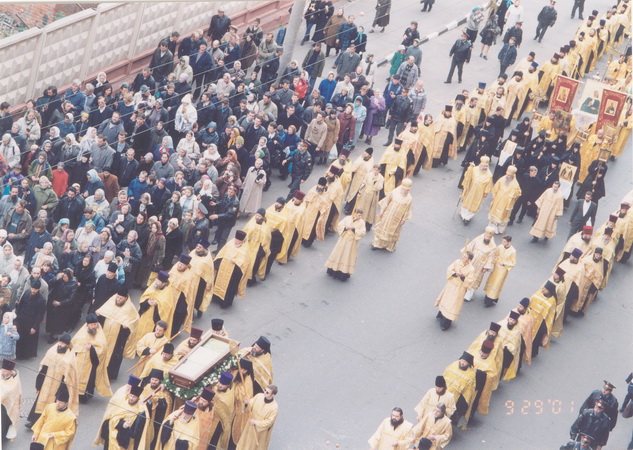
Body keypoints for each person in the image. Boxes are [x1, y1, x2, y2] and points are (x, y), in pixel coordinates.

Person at [26, 333, 78, 426]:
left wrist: (61, 392)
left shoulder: (70, 359)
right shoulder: (51, 352)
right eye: (60, 342)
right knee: (40, 402)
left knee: (53, 406)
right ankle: (34, 422)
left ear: (67, 345)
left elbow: (68, 378)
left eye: (63, 343)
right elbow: (44, 368)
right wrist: (39, 384)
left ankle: (47, 424)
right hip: (46, 383)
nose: (60, 344)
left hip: (58, 386)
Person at [96, 285, 139, 380]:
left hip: (118, 337)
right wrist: (99, 313)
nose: (118, 300)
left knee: (113, 356)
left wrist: (127, 326)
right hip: (105, 333)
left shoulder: (130, 308)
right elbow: (104, 310)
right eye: (118, 297)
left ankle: (109, 375)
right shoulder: (112, 301)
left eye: (121, 298)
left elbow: (134, 320)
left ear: (126, 298)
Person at [93, 382, 150, 448]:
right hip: (114, 432)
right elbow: (113, 418)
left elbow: (142, 422)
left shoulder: (140, 408)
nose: (131, 398)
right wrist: (122, 424)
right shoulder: (123, 403)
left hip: (126, 438)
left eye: (134, 397)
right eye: (131, 395)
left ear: (138, 398)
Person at [71, 312, 112, 404]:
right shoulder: (82, 332)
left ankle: (85, 395)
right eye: (92, 325)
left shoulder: (100, 334)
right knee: (76, 377)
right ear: (87, 325)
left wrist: (92, 348)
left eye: (95, 324)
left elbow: (103, 349)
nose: (94, 327)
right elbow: (74, 343)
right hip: (80, 361)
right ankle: (75, 393)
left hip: (92, 362)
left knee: (89, 380)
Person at [435, 251, 475, 330]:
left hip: (459, 289)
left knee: (452, 305)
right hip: (451, 285)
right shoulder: (457, 262)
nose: (462, 257)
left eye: (465, 257)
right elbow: (449, 269)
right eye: (463, 255)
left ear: (469, 260)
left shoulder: (471, 269)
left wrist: (462, 277)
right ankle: (441, 314)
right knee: (445, 300)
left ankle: (445, 324)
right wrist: (455, 274)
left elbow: (470, 281)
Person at [212, 230, 251, 309]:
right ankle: (216, 298)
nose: (236, 241)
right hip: (223, 268)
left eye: (238, 241)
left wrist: (236, 261)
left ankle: (224, 303)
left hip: (234, 272)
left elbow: (245, 262)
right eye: (236, 239)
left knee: (229, 288)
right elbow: (222, 252)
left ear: (242, 241)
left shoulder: (245, 249)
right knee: (218, 281)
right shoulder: (230, 243)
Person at [30, 383, 77, 449]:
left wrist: (55, 435)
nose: (57, 404)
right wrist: (36, 434)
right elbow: (41, 421)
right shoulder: (50, 407)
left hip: (55, 445)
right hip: (42, 440)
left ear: (66, 403)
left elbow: (70, 433)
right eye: (57, 401)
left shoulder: (70, 417)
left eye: (60, 402)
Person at [372, 178, 413, 252]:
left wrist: (404, 219)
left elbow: (407, 210)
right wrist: (382, 211)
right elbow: (386, 201)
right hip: (388, 216)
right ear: (402, 187)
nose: (406, 191)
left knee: (392, 232)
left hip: (397, 219)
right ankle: (377, 244)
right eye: (405, 189)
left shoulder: (409, 198)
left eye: (408, 190)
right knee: (383, 229)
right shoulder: (394, 192)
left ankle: (389, 246)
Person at [325, 209, 366, 281]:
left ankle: (343, 274)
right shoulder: (348, 218)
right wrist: (346, 228)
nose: (360, 217)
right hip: (343, 240)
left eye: (361, 216)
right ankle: (333, 270)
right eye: (359, 215)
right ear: (355, 213)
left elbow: (363, 232)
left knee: (348, 256)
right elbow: (340, 225)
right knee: (339, 254)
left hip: (352, 243)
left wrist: (354, 229)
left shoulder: (362, 222)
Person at [235, 384, 280, 449]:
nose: (265, 392)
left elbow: (269, 422)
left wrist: (256, 423)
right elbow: (250, 405)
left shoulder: (274, 407)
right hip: (250, 427)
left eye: (267, 392)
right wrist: (247, 403)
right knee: (244, 444)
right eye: (265, 390)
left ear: (273, 395)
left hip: (260, 432)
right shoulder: (259, 396)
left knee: (254, 447)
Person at [15, 277, 46, 359]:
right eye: (32, 288)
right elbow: (21, 305)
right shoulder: (26, 292)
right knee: (20, 337)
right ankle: (18, 353)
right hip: (22, 318)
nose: (33, 291)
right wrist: (17, 318)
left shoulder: (41, 300)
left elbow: (40, 315)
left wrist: (35, 327)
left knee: (28, 340)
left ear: (38, 289)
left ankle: (25, 355)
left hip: (31, 322)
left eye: (35, 289)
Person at [442, 352, 476, 426]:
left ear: (469, 364)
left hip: (455, 397)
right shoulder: (454, 365)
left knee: (448, 412)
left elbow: (468, 392)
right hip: (444, 391)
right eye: (462, 360)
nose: (462, 363)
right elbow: (445, 374)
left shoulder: (471, 375)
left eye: (465, 362)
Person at [483, 236, 516, 307]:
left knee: (497, 284)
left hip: (503, 270)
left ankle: (490, 301)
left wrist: (504, 263)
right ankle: (487, 295)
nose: (502, 243)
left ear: (509, 242)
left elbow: (513, 263)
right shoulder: (500, 247)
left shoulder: (513, 251)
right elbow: (495, 254)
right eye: (502, 241)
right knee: (491, 281)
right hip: (496, 267)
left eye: (504, 242)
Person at [488, 166, 522, 234]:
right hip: (498, 200)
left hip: (506, 203)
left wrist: (513, 195)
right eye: (507, 174)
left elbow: (518, 193)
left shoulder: (515, 184)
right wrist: (494, 195)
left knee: (502, 216)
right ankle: (492, 228)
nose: (507, 176)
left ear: (512, 176)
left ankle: (499, 229)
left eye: (509, 175)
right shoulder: (502, 179)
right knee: (495, 214)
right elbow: (496, 187)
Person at [460, 156, 493, 225]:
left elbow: (488, 185)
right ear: (481, 164)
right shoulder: (474, 169)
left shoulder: (489, 175)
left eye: (486, 166)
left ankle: (468, 218)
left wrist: (486, 192)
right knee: (467, 201)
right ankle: (463, 214)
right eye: (484, 166)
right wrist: (469, 170)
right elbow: (467, 177)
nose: (485, 168)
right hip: (470, 190)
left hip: (479, 193)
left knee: (474, 205)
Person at [208, 371, 235, 450]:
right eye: (220, 382)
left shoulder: (228, 397)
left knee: (213, 441)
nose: (220, 385)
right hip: (208, 417)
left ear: (227, 385)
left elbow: (226, 414)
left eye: (223, 384)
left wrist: (214, 406)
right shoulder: (214, 387)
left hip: (218, 423)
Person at [0, 359, 21, 441]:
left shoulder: (14, 380)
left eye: (5, 371)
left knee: (3, 422)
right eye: (2, 370)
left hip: (7, 406)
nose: (3, 373)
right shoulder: (1, 373)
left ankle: (2, 437)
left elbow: (10, 392)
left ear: (11, 371)